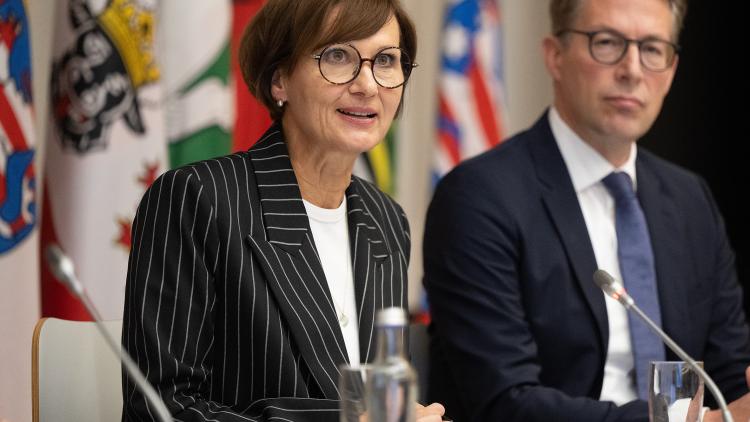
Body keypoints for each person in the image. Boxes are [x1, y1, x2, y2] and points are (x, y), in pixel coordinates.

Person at [423, 0, 750, 421]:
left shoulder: (690, 200)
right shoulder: (480, 197)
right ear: (555, 56)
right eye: (608, 43)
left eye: (652, 49)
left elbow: (729, 377)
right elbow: (505, 402)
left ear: (670, 72)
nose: (632, 70)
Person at [121, 1, 445, 421]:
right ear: (280, 81)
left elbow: (376, 395)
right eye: (338, 57)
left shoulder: (386, 221)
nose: (368, 84)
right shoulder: (198, 199)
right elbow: (160, 406)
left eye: (385, 61)